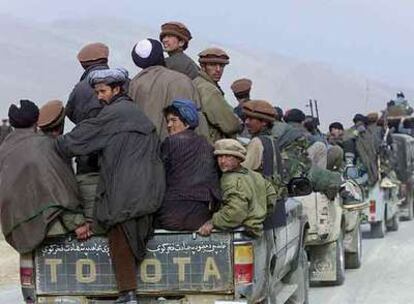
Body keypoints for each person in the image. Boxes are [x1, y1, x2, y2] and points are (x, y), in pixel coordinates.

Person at [55, 68, 165, 304]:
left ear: (117, 89)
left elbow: (77, 140)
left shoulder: (114, 113)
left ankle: (128, 294)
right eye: (97, 92)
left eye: (103, 91)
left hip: (124, 192)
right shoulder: (138, 114)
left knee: (119, 237)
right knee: (134, 241)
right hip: (150, 191)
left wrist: (55, 144)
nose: (99, 97)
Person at [0, 100, 86, 253]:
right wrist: (77, 223)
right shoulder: (46, 146)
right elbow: (61, 190)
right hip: (47, 226)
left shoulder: (4, 148)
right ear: (36, 123)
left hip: (14, 225)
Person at [155, 99, 221, 231]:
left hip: (172, 213)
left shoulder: (170, 143)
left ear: (187, 122)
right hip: (202, 214)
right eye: (168, 121)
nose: (169, 125)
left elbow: (159, 177)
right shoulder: (207, 145)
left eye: (174, 120)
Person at [129, 38, 208, 141]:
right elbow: (197, 123)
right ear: (160, 55)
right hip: (177, 151)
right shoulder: (182, 80)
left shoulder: (134, 84)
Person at [198, 139, 276, 237]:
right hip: (254, 230)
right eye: (220, 156)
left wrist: (213, 222)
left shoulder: (231, 180)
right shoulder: (255, 175)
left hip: (240, 233)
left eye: (228, 156)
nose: (222, 161)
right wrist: (256, 215)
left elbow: (235, 213)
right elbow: (271, 198)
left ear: (239, 159)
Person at [194, 47, 241, 143]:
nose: (218, 69)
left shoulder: (196, 83)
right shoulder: (209, 90)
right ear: (203, 66)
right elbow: (230, 125)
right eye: (213, 65)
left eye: (222, 66)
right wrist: (239, 123)